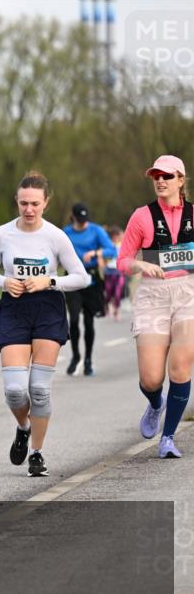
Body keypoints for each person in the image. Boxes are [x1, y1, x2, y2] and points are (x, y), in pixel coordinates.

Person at [0, 171, 90, 477]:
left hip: (48, 309)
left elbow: (82, 277)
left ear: (46, 203)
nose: (29, 209)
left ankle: (37, 454)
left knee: (39, 390)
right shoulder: (2, 235)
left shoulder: (56, 236)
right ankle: (23, 426)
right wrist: (4, 281)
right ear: (16, 202)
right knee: (15, 391)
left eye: (35, 204)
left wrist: (50, 280)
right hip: (14, 309)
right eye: (23, 203)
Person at [116, 154, 193, 459]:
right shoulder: (142, 216)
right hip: (153, 297)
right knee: (151, 378)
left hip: (188, 296)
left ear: (181, 180)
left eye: (167, 176)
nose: (160, 181)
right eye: (156, 176)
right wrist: (140, 266)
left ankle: (168, 437)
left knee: (180, 366)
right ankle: (156, 404)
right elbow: (122, 260)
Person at [62, 202, 116, 376]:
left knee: (89, 321)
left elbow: (111, 250)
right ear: (73, 217)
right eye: (80, 220)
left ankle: (88, 360)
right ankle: (76, 355)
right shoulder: (65, 233)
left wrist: (95, 253)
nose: (83, 223)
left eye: (85, 219)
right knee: (74, 319)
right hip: (72, 279)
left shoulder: (96, 230)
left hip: (92, 280)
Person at [104, 225, 126, 321]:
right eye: (114, 236)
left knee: (117, 293)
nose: (116, 238)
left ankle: (116, 311)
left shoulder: (122, 246)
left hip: (119, 272)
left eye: (117, 236)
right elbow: (102, 258)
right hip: (109, 272)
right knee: (109, 293)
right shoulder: (107, 246)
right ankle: (107, 306)